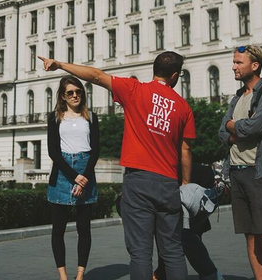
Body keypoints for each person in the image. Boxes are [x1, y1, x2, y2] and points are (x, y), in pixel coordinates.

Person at [40, 51, 194, 280]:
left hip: (138, 181)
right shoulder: (183, 107)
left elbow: (95, 76)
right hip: (168, 182)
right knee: (173, 251)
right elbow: (185, 150)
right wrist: (185, 183)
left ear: (154, 70)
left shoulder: (134, 89)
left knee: (141, 252)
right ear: (174, 76)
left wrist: (60, 64)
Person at [217, 45, 262, 280]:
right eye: (234, 62)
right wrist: (237, 128)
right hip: (237, 171)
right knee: (250, 234)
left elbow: (254, 127)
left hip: (260, 173)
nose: (233, 66)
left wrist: (236, 128)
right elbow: (222, 130)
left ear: (254, 66)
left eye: (238, 62)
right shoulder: (238, 97)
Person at [46, 75, 100, 280]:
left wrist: (84, 177)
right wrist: (74, 177)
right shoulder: (54, 118)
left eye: (78, 92)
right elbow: (53, 152)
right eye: (70, 93)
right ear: (63, 96)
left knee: (83, 229)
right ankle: (63, 276)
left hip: (86, 170)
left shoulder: (91, 117)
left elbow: (95, 151)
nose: (75, 95)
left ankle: (80, 274)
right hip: (62, 172)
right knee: (58, 228)